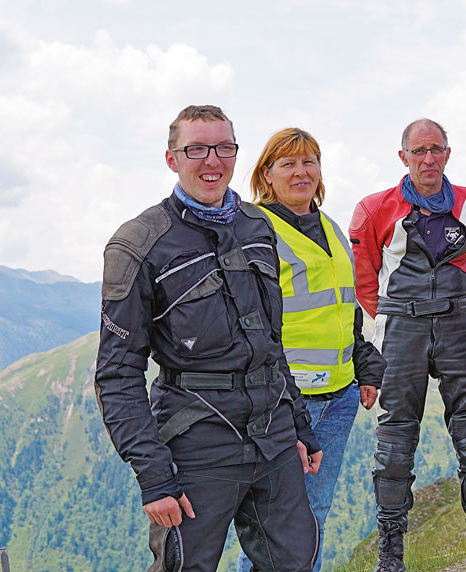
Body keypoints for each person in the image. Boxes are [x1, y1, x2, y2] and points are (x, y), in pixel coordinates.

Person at [95, 105, 322, 572]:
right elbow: (117, 374)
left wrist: (298, 425)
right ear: (171, 158)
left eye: (223, 148)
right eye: (196, 149)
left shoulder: (257, 227)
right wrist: (153, 477)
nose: (212, 160)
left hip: (274, 437)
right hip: (197, 441)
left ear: (236, 154)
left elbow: (271, 343)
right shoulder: (139, 243)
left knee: (295, 562)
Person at [348, 118, 466, 572]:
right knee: (395, 444)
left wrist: (457, 308)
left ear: (448, 153)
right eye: (419, 151)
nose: (429, 159)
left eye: (436, 149)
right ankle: (390, 559)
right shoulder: (374, 209)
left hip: (459, 326)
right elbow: (365, 283)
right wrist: (400, 315)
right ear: (403, 157)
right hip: (402, 330)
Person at [233, 128, 386, 572]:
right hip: (285, 402)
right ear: (267, 173)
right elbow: (253, 325)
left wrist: (365, 362)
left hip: (338, 399)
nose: (301, 171)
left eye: (310, 161)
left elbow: (344, 307)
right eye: (288, 163)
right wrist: (285, 403)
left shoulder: (331, 228)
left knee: (314, 515)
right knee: (273, 524)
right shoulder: (254, 229)